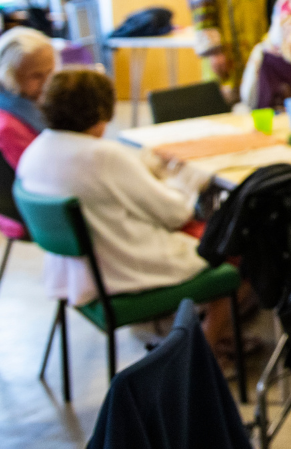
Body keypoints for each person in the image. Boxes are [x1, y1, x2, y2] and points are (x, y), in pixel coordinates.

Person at [17, 70, 235, 348]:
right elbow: (177, 213)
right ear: (100, 110)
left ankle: (191, 333)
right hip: (126, 268)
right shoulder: (102, 156)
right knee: (237, 246)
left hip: (81, 273)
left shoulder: (36, 151)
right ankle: (205, 351)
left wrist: (147, 171)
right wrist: (183, 179)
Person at [0, 27, 55, 170]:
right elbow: (42, 174)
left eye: (50, 71)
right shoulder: (7, 127)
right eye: (36, 76)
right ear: (9, 75)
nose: (47, 83)